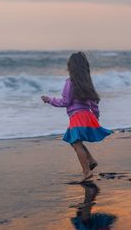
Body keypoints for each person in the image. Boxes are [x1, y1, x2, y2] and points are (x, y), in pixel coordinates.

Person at [41, 51, 113, 183]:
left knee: (76, 143)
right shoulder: (87, 83)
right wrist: (95, 117)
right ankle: (91, 160)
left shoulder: (70, 82)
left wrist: (50, 100)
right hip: (87, 115)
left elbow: (65, 101)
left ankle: (86, 171)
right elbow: (94, 102)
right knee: (74, 140)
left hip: (77, 116)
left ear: (71, 67)